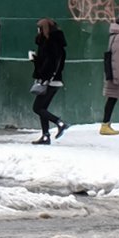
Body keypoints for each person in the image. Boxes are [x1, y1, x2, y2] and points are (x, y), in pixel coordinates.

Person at [30, 17, 68, 145]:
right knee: (43, 108)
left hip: (49, 80)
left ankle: (59, 122)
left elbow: (49, 63)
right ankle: (45, 136)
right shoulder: (55, 43)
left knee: (37, 108)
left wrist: (37, 64)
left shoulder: (51, 44)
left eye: (39, 28)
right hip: (53, 80)